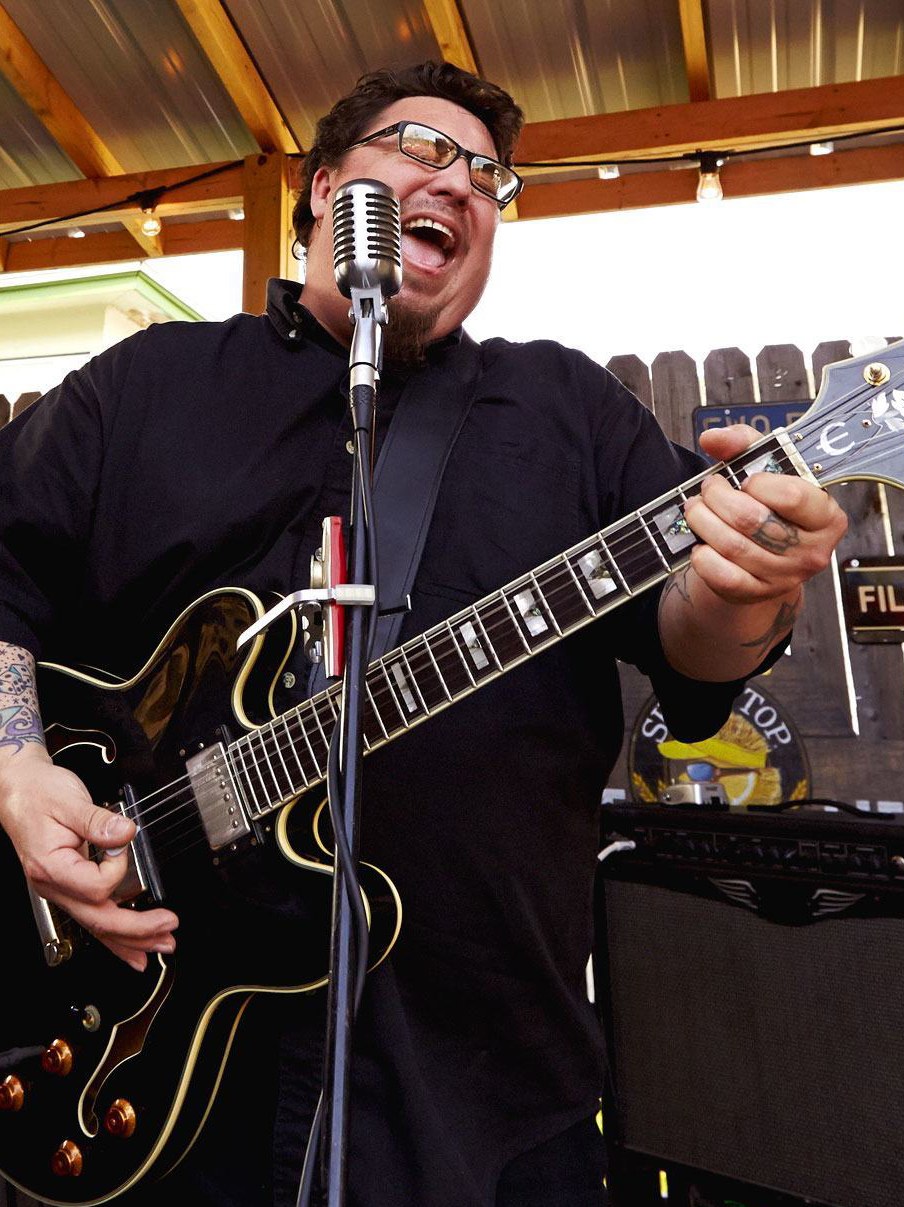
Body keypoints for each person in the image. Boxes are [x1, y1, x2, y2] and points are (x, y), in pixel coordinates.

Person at [0, 61, 846, 1207]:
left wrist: (753, 581)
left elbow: (695, 649)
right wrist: (15, 763)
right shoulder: (146, 386)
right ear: (319, 188)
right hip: (155, 1067)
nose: (459, 181)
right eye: (419, 148)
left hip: (482, 1091)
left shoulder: (568, 411)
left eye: (488, 174)